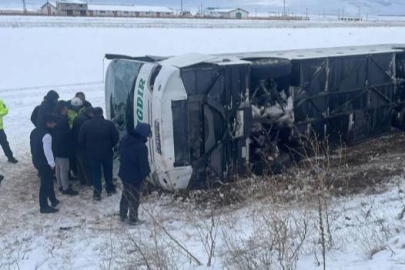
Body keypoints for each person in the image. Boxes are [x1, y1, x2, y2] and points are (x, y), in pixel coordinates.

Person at [79, 107, 119, 200]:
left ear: (92, 114)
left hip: (92, 154)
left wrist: (87, 148)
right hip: (107, 152)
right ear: (102, 113)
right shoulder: (109, 124)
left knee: (95, 173)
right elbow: (115, 138)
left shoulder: (86, 125)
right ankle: (110, 189)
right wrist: (111, 145)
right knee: (108, 171)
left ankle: (97, 193)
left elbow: (81, 140)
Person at [118, 123, 151, 224]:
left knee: (126, 194)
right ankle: (133, 219)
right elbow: (143, 164)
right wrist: (146, 174)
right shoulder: (141, 147)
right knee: (134, 197)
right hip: (135, 175)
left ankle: (122, 215)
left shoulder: (124, 140)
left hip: (124, 172)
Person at [30, 113, 59, 214]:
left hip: (36, 159)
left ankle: (53, 199)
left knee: (48, 180)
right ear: (48, 123)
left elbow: (32, 147)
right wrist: (52, 164)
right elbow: (48, 151)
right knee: (45, 184)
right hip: (45, 162)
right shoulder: (47, 135)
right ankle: (43, 206)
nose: (55, 125)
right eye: (54, 123)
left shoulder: (34, 131)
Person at [53, 101, 78, 196]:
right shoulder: (62, 122)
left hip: (56, 148)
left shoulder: (56, 119)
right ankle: (66, 188)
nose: (68, 110)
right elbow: (65, 136)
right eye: (66, 108)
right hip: (63, 149)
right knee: (64, 169)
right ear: (63, 110)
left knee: (58, 168)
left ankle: (61, 185)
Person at [72, 106, 94, 186]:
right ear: (90, 113)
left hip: (75, 144)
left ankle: (82, 180)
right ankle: (90, 182)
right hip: (82, 145)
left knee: (79, 164)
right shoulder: (85, 121)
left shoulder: (78, 117)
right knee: (86, 165)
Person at [0, 99, 18, 163]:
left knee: (4, 144)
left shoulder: (0, 101)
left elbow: (5, 110)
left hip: (0, 129)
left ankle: (10, 157)